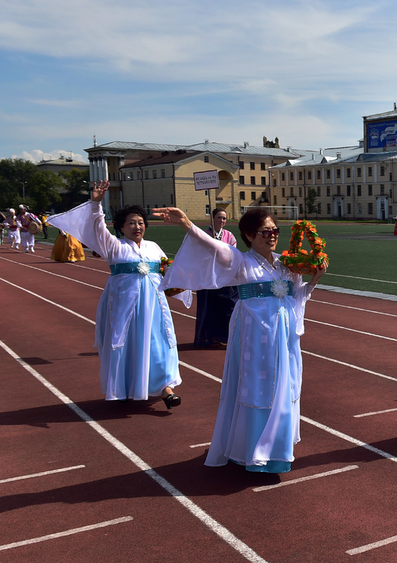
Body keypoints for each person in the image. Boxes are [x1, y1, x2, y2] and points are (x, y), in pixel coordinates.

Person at [155, 205, 327, 473]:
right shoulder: (240, 261)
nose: (271, 236)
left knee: (283, 384)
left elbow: (296, 297)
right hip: (253, 333)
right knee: (255, 386)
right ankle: (249, 451)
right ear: (248, 234)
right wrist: (187, 224)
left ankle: (276, 451)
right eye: (264, 231)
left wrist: (314, 279)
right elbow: (213, 247)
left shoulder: (287, 263)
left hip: (283, 334)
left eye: (275, 231)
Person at [47, 181, 183, 406]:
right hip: (124, 308)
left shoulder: (154, 247)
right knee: (127, 345)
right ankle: (125, 386)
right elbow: (98, 228)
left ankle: (166, 388)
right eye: (131, 223)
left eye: (140, 223)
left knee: (158, 343)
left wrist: (177, 282)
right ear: (121, 227)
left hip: (155, 309)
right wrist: (96, 204)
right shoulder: (114, 246)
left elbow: (167, 273)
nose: (137, 227)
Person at [193, 208, 239, 347]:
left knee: (227, 306)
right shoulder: (204, 235)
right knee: (208, 307)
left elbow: (233, 254)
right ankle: (209, 337)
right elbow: (198, 254)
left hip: (225, 277)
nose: (222, 221)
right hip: (208, 276)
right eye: (219, 217)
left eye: (224, 218)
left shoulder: (229, 235)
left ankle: (225, 336)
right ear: (213, 218)